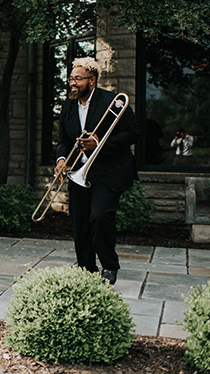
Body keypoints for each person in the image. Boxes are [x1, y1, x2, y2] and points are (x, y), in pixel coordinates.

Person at [55, 57, 140, 285]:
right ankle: (86, 269)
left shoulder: (113, 102)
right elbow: (63, 140)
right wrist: (61, 159)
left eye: (78, 79)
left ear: (92, 80)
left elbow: (133, 133)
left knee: (100, 216)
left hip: (109, 171)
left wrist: (100, 142)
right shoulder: (68, 105)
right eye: (71, 78)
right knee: (80, 221)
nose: (72, 83)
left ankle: (110, 266)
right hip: (80, 171)